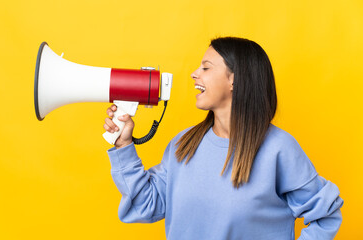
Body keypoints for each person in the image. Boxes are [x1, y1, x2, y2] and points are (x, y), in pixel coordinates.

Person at [104, 37, 343, 240]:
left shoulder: (278, 149)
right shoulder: (183, 145)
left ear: (234, 79)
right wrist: (124, 145)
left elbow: (326, 216)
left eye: (206, 68)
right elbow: (146, 205)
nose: (194, 74)